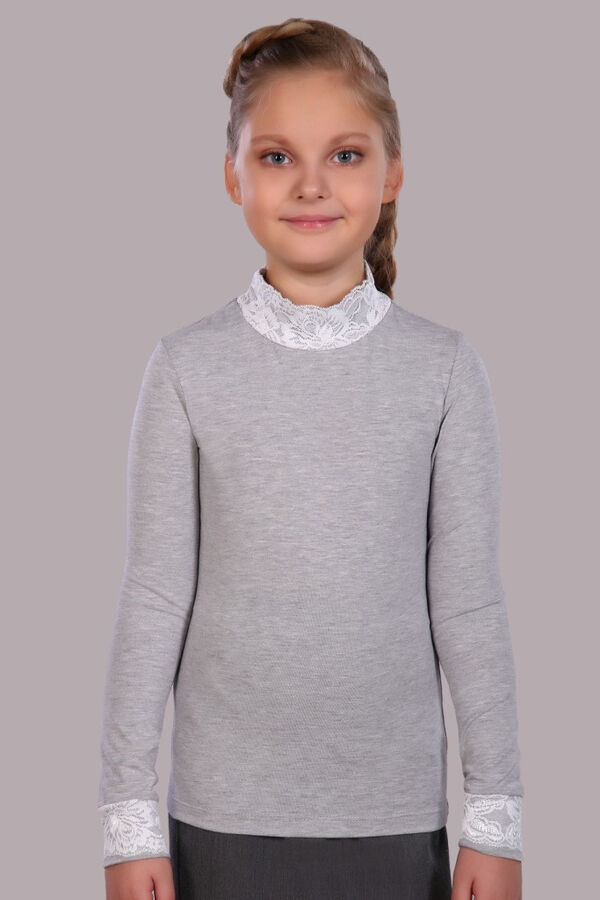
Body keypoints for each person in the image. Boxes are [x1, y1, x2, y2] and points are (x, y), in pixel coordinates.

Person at [98, 17, 524, 900]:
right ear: (233, 175)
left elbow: (469, 605)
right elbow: (154, 600)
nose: (311, 185)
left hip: (393, 823)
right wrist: (127, 822)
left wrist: (495, 819)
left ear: (392, 172)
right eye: (277, 156)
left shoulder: (444, 370)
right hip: (221, 825)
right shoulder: (185, 368)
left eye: (346, 154)